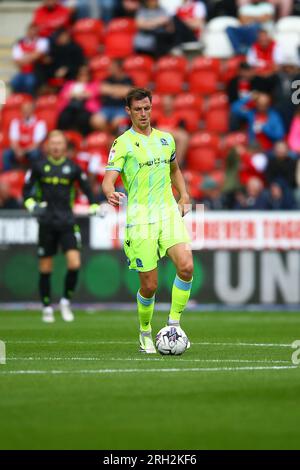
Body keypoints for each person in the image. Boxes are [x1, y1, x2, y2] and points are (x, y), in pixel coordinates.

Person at [102, 87, 193, 353]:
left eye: (147, 108)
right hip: (140, 218)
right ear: (128, 111)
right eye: (138, 109)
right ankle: (145, 331)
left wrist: (184, 195)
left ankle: (174, 325)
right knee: (150, 285)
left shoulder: (167, 140)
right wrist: (110, 193)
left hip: (167, 213)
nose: (144, 113)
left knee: (186, 266)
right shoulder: (122, 143)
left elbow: (175, 170)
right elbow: (108, 180)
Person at [23, 130, 99, 323]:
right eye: (53, 143)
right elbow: (26, 191)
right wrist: (31, 204)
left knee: (75, 264)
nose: (56, 146)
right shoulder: (38, 167)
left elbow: (87, 189)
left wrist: (94, 205)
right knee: (45, 268)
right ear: (48, 146)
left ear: (65, 146)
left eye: (59, 143)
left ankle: (65, 301)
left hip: (67, 222)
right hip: (46, 223)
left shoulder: (73, 168)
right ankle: (47, 307)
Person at [2, 100, 47, 171]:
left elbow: (37, 143)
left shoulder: (40, 123)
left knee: (35, 154)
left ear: (33, 110)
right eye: (24, 109)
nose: (26, 111)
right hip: (18, 149)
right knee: (6, 154)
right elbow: (13, 140)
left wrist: (24, 151)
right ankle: (7, 175)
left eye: (28, 109)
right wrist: (17, 150)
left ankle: (34, 174)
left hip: (31, 149)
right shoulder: (15, 122)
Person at [92, 59, 133, 133]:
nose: (109, 69)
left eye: (112, 67)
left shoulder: (128, 79)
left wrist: (111, 89)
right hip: (107, 107)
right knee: (96, 120)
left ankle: (112, 136)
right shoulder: (107, 79)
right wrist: (119, 90)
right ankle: (108, 134)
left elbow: (128, 92)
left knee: (117, 122)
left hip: (121, 108)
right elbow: (102, 89)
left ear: (119, 68)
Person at [57, 65, 101, 136]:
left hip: (85, 108)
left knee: (83, 119)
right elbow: (64, 94)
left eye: (86, 74)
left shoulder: (93, 83)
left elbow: (92, 94)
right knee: (64, 117)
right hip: (70, 107)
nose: (83, 76)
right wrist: (80, 94)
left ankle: (84, 137)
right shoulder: (70, 83)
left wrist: (75, 94)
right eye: (81, 74)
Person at [11, 23, 49, 96]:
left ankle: (31, 99)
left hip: (35, 72)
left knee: (30, 83)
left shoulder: (42, 41)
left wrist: (25, 56)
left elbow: (38, 55)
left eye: (34, 31)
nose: (32, 33)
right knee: (14, 82)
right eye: (31, 31)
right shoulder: (20, 42)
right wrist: (31, 56)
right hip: (23, 71)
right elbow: (16, 60)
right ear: (27, 31)